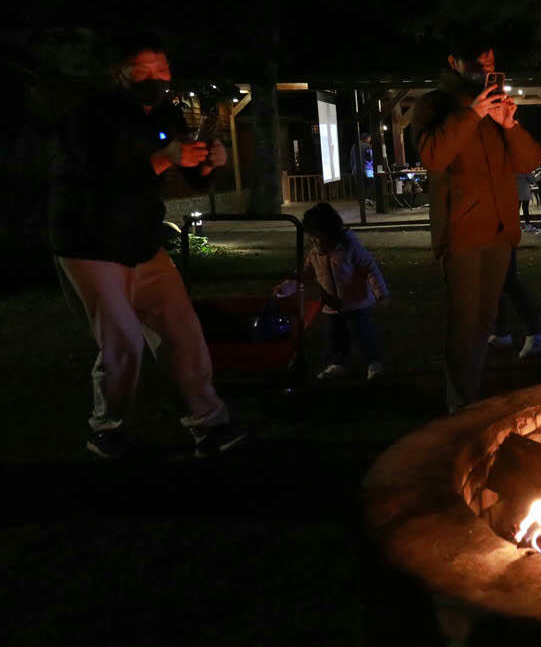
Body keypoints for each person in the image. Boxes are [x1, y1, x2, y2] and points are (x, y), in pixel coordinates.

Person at [49, 34, 250, 458]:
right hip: (90, 242)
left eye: (161, 70)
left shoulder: (165, 111)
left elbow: (183, 168)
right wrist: (163, 158)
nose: (153, 79)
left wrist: (206, 164)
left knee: (183, 332)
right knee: (122, 340)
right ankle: (107, 429)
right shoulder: (90, 115)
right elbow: (99, 176)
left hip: (141, 239)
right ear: (119, 74)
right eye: (142, 70)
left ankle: (210, 425)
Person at [413, 49, 541, 411]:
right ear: (454, 61)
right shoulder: (435, 105)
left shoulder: (497, 104)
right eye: (478, 62)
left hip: (500, 230)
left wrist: (510, 125)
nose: (487, 67)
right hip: (463, 232)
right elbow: (434, 157)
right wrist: (473, 114)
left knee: (484, 321)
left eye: (491, 61)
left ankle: (472, 395)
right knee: (464, 320)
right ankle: (459, 402)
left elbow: (528, 161)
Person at [282, 202, 391, 380]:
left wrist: (381, 293)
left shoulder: (349, 247)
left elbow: (369, 268)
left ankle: (374, 362)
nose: (314, 241)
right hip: (332, 304)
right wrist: (289, 285)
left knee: (363, 334)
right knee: (336, 336)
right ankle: (338, 364)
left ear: (330, 232)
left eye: (318, 236)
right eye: (312, 237)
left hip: (356, 301)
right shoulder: (315, 253)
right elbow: (305, 274)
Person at [350, 132, 375, 206]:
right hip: (368, 169)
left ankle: (361, 201)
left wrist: (353, 168)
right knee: (370, 184)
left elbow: (351, 159)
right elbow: (370, 158)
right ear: (367, 138)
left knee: (360, 186)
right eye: (370, 138)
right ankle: (368, 199)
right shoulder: (368, 146)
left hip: (356, 169)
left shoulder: (354, 146)